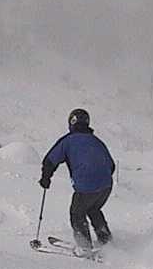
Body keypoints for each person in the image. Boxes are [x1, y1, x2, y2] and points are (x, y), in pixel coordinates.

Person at [39, 108, 115, 253]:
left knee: (77, 214)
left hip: (86, 187)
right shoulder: (97, 141)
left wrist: (45, 178)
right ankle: (106, 240)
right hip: (106, 186)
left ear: (71, 123)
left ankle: (85, 246)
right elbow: (111, 165)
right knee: (94, 209)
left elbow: (50, 160)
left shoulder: (68, 141)